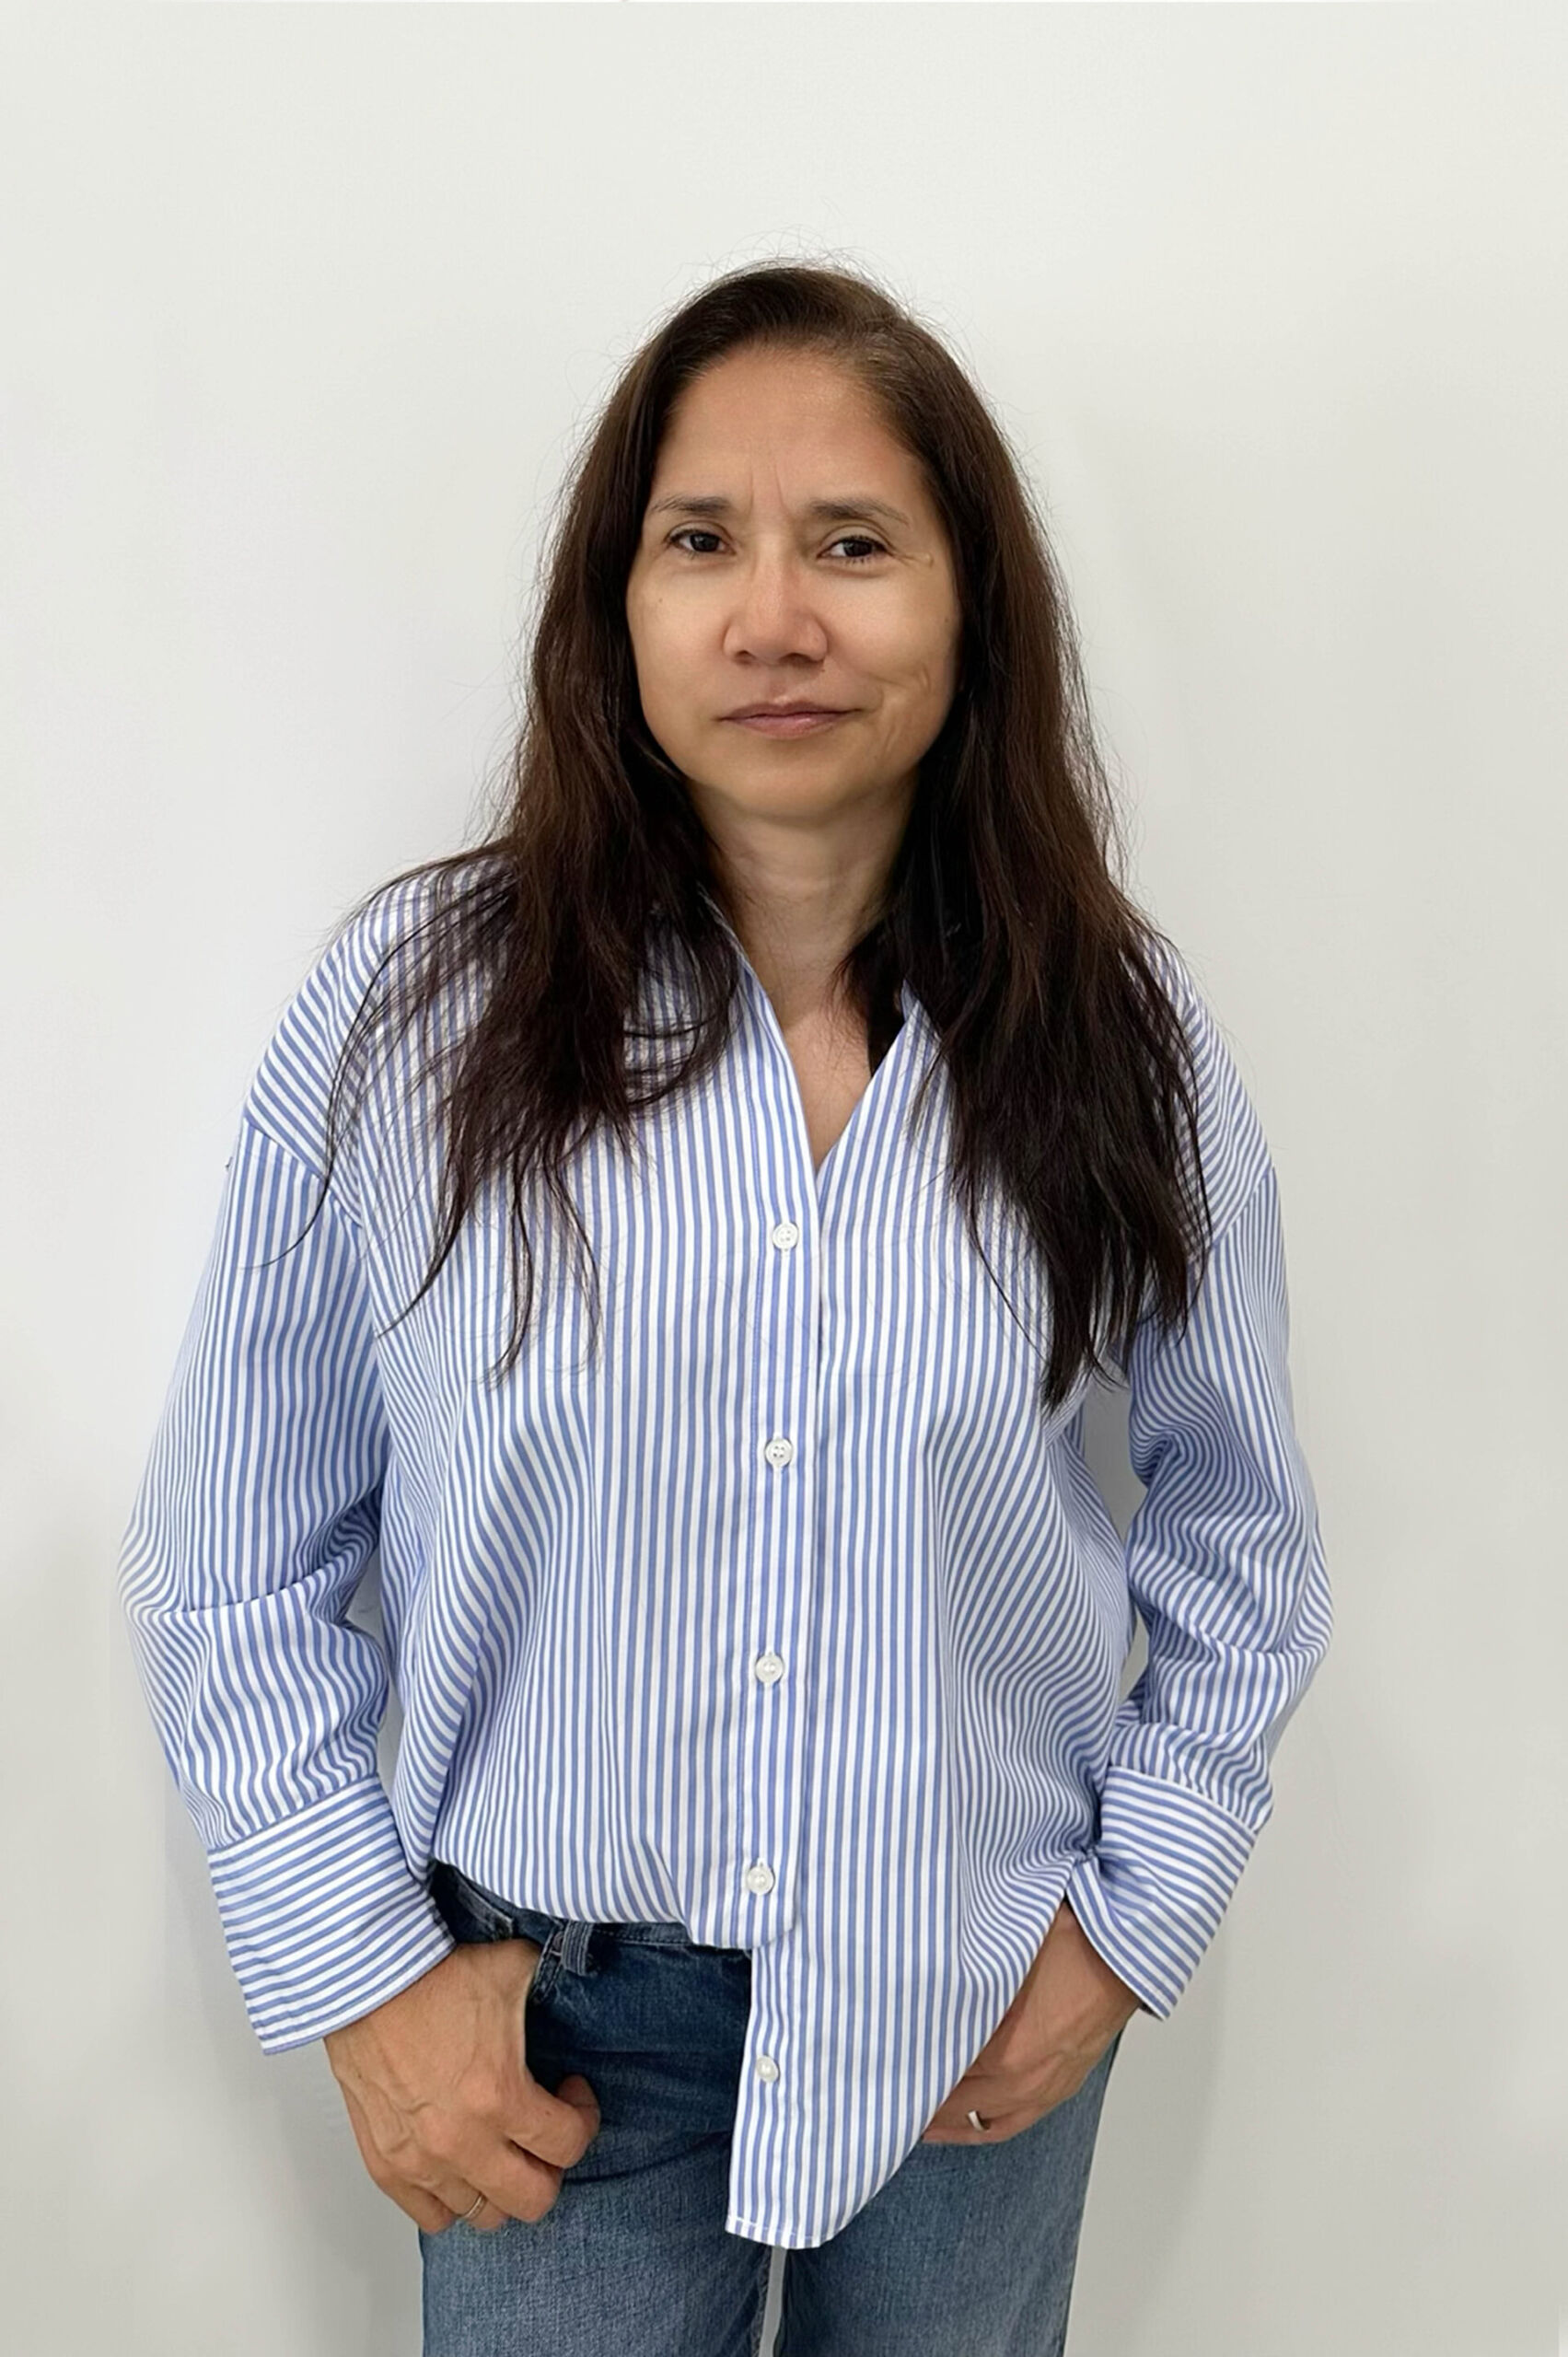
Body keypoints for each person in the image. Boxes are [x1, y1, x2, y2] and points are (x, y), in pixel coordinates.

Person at [118, 261, 1332, 2357]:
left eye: (853, 543)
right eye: (703, 543)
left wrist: (1126, 1931)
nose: (776, 617)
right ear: (621, 603)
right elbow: (232, 1550)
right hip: (556, 2050)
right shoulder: (413, 1022)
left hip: (973, 2000)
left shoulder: (1117, 1042)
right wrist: (360, 1980)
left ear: (970, 605)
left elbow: (1242, 1536)